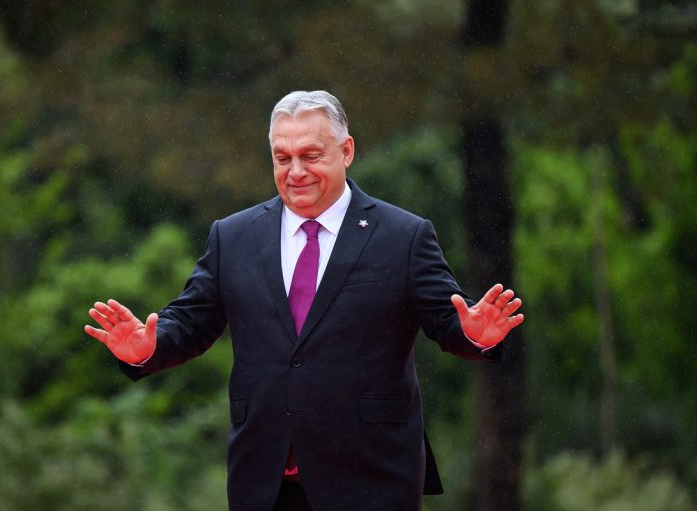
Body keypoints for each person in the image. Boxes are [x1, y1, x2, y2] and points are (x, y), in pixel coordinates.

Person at [85, 90, 524, 511]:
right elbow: (190, 322)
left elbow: (447, 320)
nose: (296, 171)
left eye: (311, 156)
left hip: (371, 477)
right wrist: (148, 348)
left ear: (346, 151)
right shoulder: (233, 236)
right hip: (264, 480)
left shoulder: (403, 236)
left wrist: (475, 335)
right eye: (283, 158)